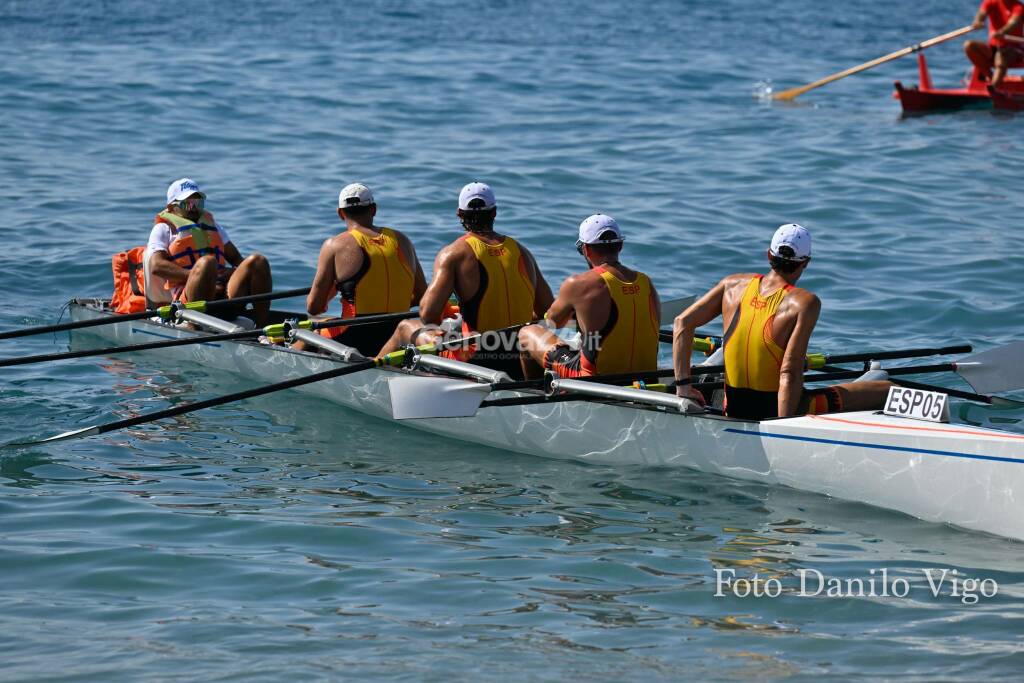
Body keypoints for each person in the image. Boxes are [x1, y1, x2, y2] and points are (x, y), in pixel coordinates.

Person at [671, 224, 891, 420]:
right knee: (886, 389)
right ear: (805, 262)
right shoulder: (804, 302)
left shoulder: (732, 284)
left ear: (769, 255)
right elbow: (789, 371)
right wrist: (783, 429)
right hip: (775, 412)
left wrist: (684, 388)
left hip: (734, 407)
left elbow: (681, 323)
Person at [378, 182, 553, 378]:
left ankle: (373, 375)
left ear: (459, 213)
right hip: (520, 357)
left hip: (476, 359)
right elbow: (547, 310)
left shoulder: (453, 254)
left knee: (405, 327)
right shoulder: (523, 252)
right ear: (494, 212)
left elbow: (428, 315)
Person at [518, 214, 660, 379]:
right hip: (647, 378)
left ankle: (536, 396)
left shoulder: (578, 283)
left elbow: (552, 322)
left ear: (585, 249)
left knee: (528, 332)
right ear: (620, 246)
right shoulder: (646, 282)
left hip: (593, 379)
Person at [298, 182, 427, 357]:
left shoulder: (334, 245)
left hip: (355, 336)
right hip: (397, 336)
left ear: (340, 213)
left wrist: (333, 290)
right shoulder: (403, 240)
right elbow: (421, 295)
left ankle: (281, 362)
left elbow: (314, 307)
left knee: (311, 332)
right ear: (373, 209)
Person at [146, 178, 273, 326]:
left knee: (258, 261)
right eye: (188, 203)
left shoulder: (212, 227)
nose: (194, 207)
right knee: (207, 263)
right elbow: (156, 266)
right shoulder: (164, 229)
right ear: (172, 207)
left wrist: (232, 275)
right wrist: (205, 278)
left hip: (223, 297)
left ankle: (262, 329)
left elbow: (237, 260)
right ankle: (193, 327)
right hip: (187, 305)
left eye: (198, 203)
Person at [965, 0, 1024, 88]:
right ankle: (990, 77)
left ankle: (994, 87)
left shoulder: (1018, 6)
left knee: (1001, 56)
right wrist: (978, 21)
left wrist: (1002, 32)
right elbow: (981, 13)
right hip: (994, 47)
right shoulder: (991, 2)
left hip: (1014, 48)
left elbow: (1013, 23)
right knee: (969, 46)